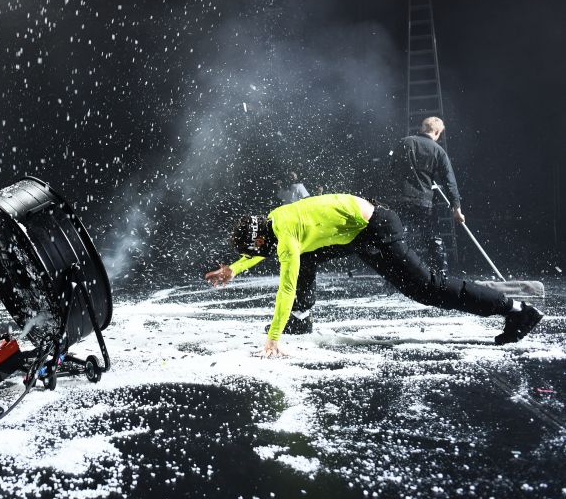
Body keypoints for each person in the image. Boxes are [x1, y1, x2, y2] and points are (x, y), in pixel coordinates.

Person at [204, 194, 543, 357]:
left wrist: (273, 337)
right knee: (309, 256)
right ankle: (302, 319)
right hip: (355, 232)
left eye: (255, 251)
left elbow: (286, 287)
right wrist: (234, 268)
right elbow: (266, 252)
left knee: (426, 288)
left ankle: (516, 311)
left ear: (262, 239)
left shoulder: (288, 241)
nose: (257, 255)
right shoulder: (274, 219)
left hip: (376, 229)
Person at [389, 116, 463, 275]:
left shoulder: (405, 142)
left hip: (400, 200)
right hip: (424, 203)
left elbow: (392, 169)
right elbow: (450, 182)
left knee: (399, 240)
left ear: (423, 128)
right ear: (437, 132)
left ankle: (396, 276)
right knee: (432, 239)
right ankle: (440, 278)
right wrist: (456, 208)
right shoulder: (438, 151)